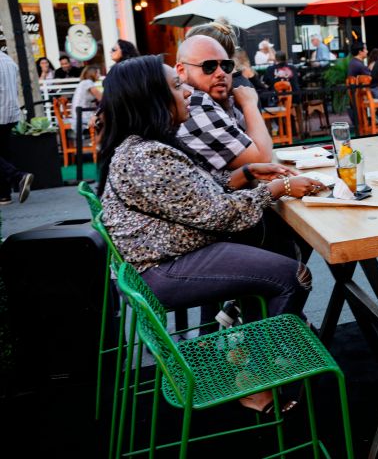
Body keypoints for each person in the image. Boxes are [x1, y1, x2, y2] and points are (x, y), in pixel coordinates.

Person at [98, 54, 325, 414]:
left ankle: (252, 357)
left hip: (163, 261)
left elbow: (196, 194)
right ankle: (265, 385)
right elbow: (217, 214)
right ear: (152, 99)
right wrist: (279, 189)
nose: (187, 91)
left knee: (269, 262)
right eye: (177, 85)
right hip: (163, 269)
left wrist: (247, 172)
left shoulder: (145, 147)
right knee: (288, 275)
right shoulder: (147, 156)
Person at [176, 35, 273, 175]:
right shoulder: (195, 104)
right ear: (181, 71)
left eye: (226, 66)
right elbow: (262, 160)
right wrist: (249, 104)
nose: (221, 73)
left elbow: (261, 144)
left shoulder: (218, 98)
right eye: (209, 66)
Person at [0, 50, 33, 204]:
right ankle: (4, 195)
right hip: (11, 113)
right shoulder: (8, 60)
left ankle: (18, 176)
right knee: (3, 152)